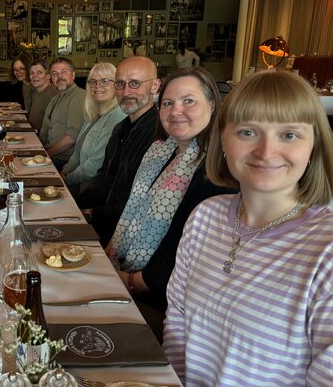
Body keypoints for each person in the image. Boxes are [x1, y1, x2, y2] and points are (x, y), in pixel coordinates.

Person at [163, 71, 333, 385]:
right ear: (223, 139)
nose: (266, 151)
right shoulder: (205, 217)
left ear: (314, 148)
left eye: (289, 135)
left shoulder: (327, 251)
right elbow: (177, 319)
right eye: (247, 132)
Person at [105, 67, 234, 323]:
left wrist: (127, 281)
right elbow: (131, 211)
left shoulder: (217, 171)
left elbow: (179, 260)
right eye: (168, 103)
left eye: (188, 101)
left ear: (211, 104)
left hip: (164, 303)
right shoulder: (161, 152)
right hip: (126, 269)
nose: (176, 111)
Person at [76, 56, 161, 246]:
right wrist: (75, 204)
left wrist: (90, 214)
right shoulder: (120, 129)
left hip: (125, 235)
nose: (126, 92)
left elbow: (142, 203)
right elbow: (104, 178)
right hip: (103, 220)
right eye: (120, 84)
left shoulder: (158, 136)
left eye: (135, 83)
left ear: (154, 86)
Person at [61, 62, 125, 197]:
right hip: (80, 186)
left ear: (117, 85)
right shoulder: (93, 114)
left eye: (105, 81)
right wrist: (64, 172)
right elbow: (77, 154)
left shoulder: (117, 116)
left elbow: (96, 165)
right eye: (93, 81)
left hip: (94, 194)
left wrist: (66, 179)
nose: (97, 86)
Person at [39, 58, 86, 169]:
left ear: (73, 75)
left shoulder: (79, 96)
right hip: (50, 153)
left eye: (63, 72)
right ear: (51, 79)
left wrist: (46, 155)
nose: (59, 77)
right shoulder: (56, 98)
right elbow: (45, 129)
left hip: (63, 160)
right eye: (55, 74)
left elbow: (71, 138)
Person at [27, 59, 57, 132]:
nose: (34, 76)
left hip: (42, 139)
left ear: (48, 76)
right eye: (32, 73)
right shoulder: (34, 92)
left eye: (39, 72)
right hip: (33, 133)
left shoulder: (52, 94)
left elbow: (52, 126)